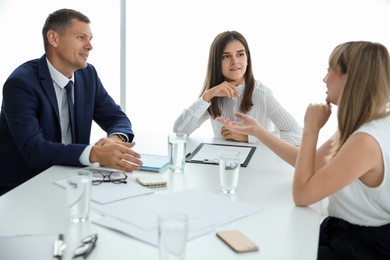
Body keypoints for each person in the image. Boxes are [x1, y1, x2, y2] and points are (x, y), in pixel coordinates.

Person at [217, 41, 390, 259]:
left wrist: (311, 130)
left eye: (329, 70)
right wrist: (260, 131)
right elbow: (311, 162)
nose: (324, 79)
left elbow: (302, 195)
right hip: (345, 232)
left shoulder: (364, 141)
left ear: (350, 78)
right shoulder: (366, 123)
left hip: (361, 247)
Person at [0, 9, 142, 196]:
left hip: (70, 179)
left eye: (90, 39)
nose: (90, 46)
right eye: (81, 37)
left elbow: (116, 117)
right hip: (23, 186)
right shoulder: (21, 84)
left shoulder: (87, 75)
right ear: (54, 38)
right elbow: (34, 150)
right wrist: (94, 154)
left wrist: (114, 139)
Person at [173, 31, 302, 145]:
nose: (235, 61)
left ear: (247, 58)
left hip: (256, 167)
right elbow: (179, 132)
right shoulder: (213, 97)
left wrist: (248, 137)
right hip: (220, 165)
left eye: (240, 54)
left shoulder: (262, 94)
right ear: (216, 62)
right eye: (226, 56)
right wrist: (208, 95)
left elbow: (298, 136)